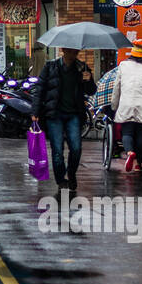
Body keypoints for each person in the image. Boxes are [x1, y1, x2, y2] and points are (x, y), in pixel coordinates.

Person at [32, 47, 96, 190]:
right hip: (55, 114)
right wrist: (35, 112)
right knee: (57, 150)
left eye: (76, 52)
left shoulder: (82, 68)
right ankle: (61, 179)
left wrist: (88, 80)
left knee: (76, 148)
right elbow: (40, 89)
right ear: (63, 51)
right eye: (70, 52)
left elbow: (91, 91)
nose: (73, 55)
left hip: (74, 114)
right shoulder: (50, 67)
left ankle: (71, 173)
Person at [110, 41, 142, 173]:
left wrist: (114, 106)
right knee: (141, 134)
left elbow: (117, 88)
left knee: (127, 132)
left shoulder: (123, 66)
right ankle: (139, 163)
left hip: (126, 103)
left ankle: (130, 152)